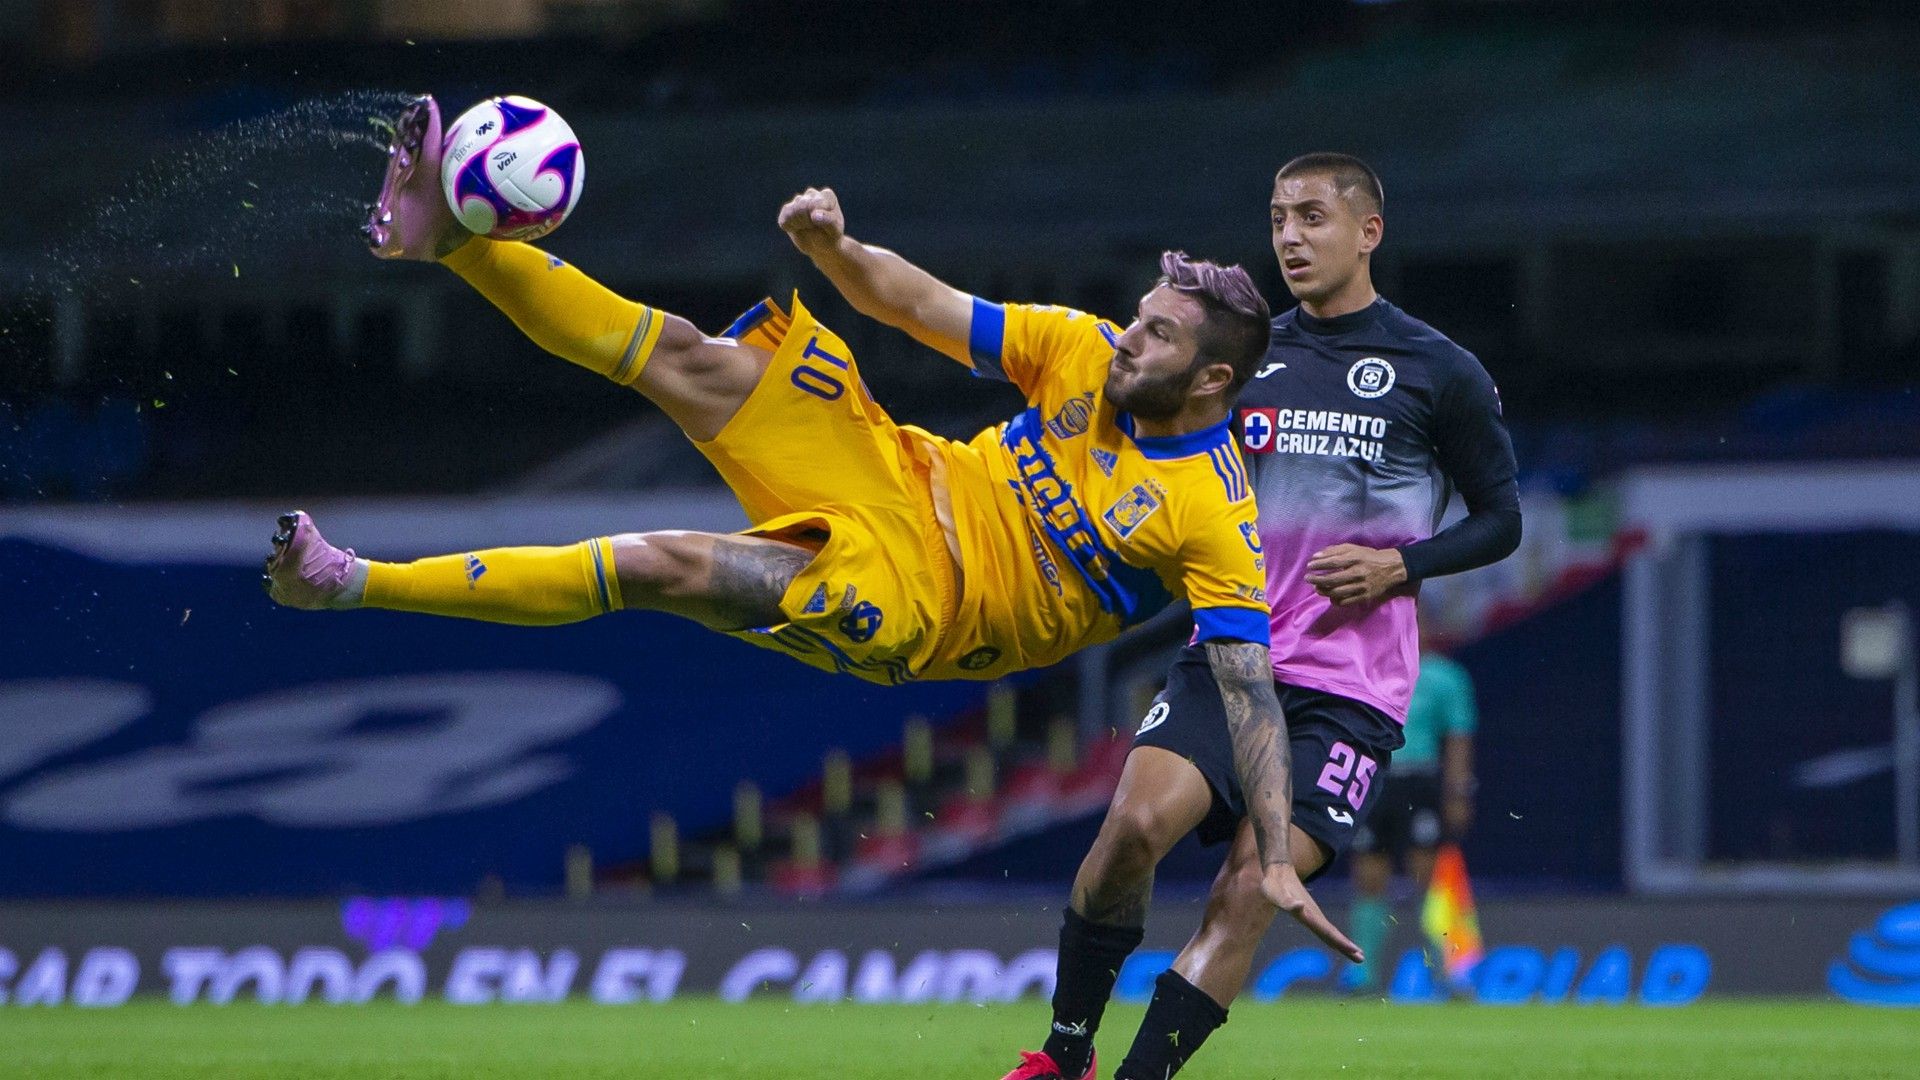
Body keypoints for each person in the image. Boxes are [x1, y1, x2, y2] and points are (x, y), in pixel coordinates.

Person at [264, 96, 1359, 947]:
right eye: (1137, 319)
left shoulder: (1213, 514)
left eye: (1158, 340)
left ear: (1214, 377)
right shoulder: (1079, 346)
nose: (1127, 341)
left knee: (667, 564)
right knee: (694, 357)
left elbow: (1249, 688)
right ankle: (444, 240)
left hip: (927, 604)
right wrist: (836, 250)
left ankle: (351, 582)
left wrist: (1271, 849)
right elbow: (916, 305)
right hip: (901, 474)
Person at [977, 153, 1521, 1080]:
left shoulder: (1440, 370)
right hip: (1235, 655)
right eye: (1277, 219)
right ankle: (1065, 1053)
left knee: (1245, 890)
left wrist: (1402, 565)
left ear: (1367, 232)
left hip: (1350, 694)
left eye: (1312, 217)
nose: (1290, 238)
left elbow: (1502, 518)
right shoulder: (1243, 356)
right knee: (1133, 829)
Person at [1338, 635, 1478, 993]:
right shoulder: (1366, 664)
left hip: (1421, 780)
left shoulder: (1446, 676)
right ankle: (1362, 976)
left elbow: (1459, 737)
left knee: (1428, 878)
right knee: (1369, 877)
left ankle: (1451, 971)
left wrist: (1458, 792)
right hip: (1375, 777)